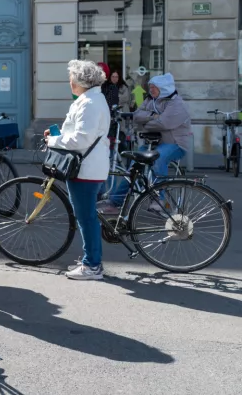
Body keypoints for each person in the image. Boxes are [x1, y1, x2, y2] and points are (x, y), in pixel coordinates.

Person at [46, 60, 111, 281]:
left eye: (71, 78)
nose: (69, 82)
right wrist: (57, 134)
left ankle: (92, 265)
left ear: (79, 81)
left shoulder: (90, 102)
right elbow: (77, 131)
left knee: (86, 218)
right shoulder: (89, 99)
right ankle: (91, 260)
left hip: (86, 169)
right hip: (89, 166)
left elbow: (82, 138)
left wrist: (55, 140)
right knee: (87, 216)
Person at [108, 73, 191, 210]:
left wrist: (145, 124)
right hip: (152, 143)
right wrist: (153, 116)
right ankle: (115, 201)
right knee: (133, 167)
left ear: (163, 89)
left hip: (175, 143)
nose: (150, 90)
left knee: (159, 157)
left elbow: (164, 123)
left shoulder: (177, 103)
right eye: (150, 87)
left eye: (154, 87)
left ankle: (159, 198)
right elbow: (136, 116)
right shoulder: (150, 100)